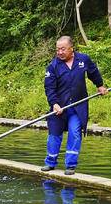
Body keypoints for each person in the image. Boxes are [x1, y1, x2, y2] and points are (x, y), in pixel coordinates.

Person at [42, 36, 106, 174]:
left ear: (72, 48)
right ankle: (50, 162)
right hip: (59, 107)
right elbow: (49, 88)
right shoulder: (53, 66)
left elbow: (93, 72)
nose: (59, 52)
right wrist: (54, 104)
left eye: (63, 49)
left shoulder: (83, 60)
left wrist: (100, 85)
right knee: (54, 134)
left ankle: (70, 165)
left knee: (75, 133)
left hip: (78, 106)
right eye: (57, 49)